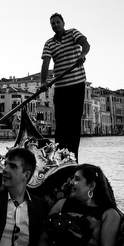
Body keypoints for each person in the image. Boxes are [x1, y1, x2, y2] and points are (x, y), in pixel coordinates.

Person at [25, 164, 122, 246]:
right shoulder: (61, 204)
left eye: (76, 179)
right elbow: (43, 238)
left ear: (91, 186)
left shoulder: (109, 214)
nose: (70, 182)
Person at [40, 13, 90, 159]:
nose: (55, 25)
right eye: (53, 24)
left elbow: (85, 44)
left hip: (77, 85)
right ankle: (60, 157)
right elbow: (45, 63)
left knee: (74, 123)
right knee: (61, 123)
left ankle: (73, 157)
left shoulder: (73, 33)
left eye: (57, 22)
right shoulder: (49, 43)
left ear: (63, 23)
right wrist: (43, 82)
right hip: (61, 87)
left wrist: (82, 54)